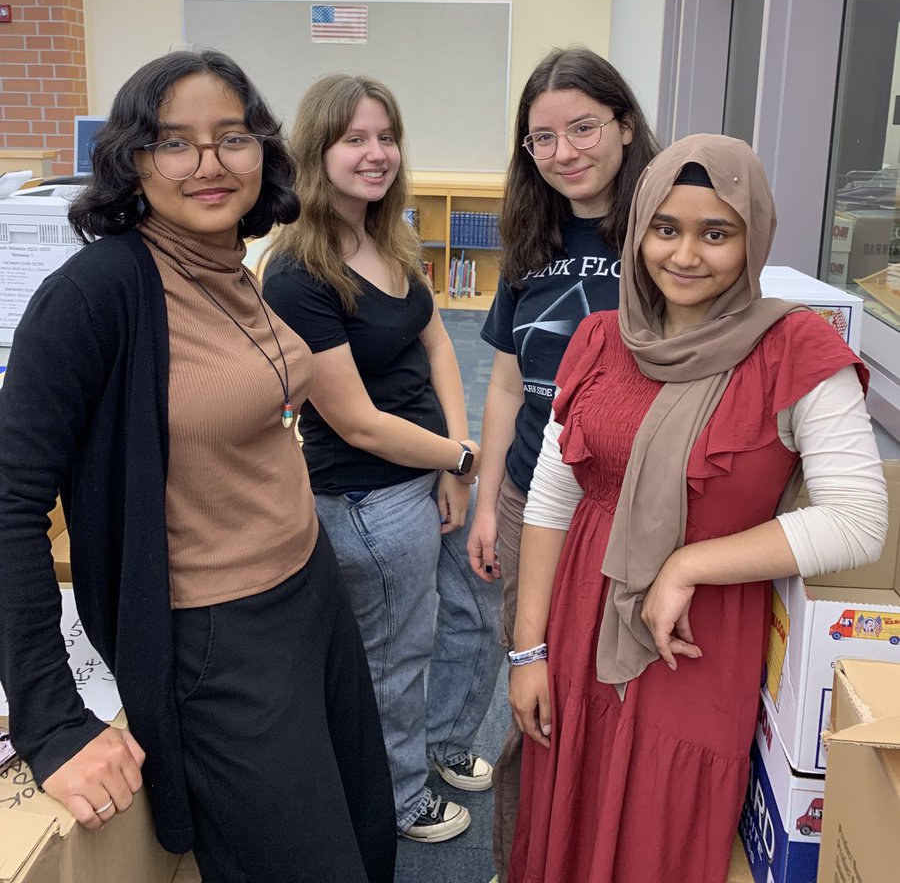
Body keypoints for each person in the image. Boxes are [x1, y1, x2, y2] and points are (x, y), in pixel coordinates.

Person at [0, 50, 396, 883]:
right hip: (215, 635)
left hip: (307, 590)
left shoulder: (232, 264)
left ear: (264, 152)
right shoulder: (96, 295)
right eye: (174, 142)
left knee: (364, 829)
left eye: (232, 138)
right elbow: (8, 505)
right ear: (133, 161)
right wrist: (53, 724)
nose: (210, 164)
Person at [507, 134, 889, 883]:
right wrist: (528, 653)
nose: (685, 255)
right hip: (581, 617)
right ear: (640, 229)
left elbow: (857, 520)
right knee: (569, 804)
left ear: (753, 240)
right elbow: (553, 498)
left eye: (716, 233)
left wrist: (690, 563)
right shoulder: (599, 339)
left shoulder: (795, 351)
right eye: (666, 229)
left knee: (661, 827)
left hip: (695, 640)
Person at [263, 73, 503, 844]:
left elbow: (437, 341)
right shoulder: (298, 271)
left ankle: (440, 741)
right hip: (369, 499)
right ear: (317, 150)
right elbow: (357, 422)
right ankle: (397, 795)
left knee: (471, 614)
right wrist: (461, 460)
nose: (376, 154)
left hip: (431, 470)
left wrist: (453, 461)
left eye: (386, 136)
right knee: (396, 657)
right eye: (354, 139)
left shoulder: (388, 236)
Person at [465, 46, 659, 881]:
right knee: (532, 671)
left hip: (631, 502)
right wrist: (484, 502)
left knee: (623, 682)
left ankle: (609, 841)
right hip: (530, 496)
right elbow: (506, 382)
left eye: (582, 127)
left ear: (623, 124)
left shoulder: (668, 230)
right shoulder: (532, 239)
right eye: (541, 138)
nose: (564, 152)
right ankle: (533, 845)